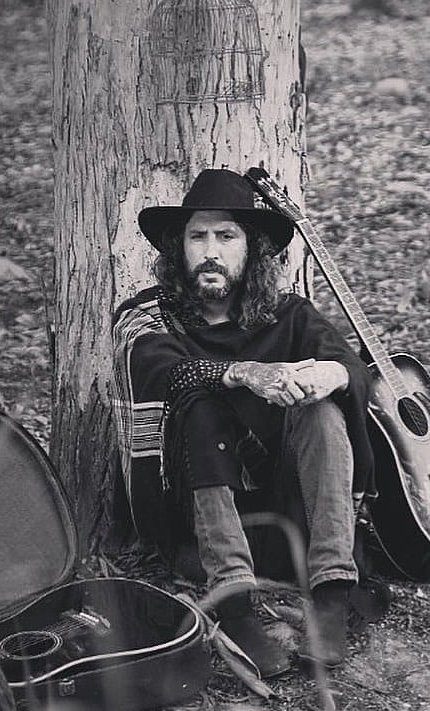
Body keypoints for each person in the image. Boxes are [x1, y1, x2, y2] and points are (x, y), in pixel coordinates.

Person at [110, 168, 374, 677]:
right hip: (196, 530)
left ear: (250, 249)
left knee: (322, 410)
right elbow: (158, 369)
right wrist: (245, 373)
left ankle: (332, 596)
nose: (210, 250)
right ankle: (234, 606)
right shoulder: (146, 315)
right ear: (178, 248)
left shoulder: (288, 315)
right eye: (198, 236)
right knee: (200, 402)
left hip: (290, 523)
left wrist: (328, 375)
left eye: (226, 236)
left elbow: (354, 367)